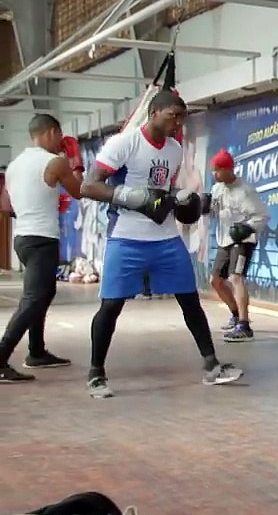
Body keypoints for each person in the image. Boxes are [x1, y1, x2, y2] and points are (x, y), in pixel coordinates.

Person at [79, 90, 243, 398]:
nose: (178, 123)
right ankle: (96, 373)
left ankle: (211, 365)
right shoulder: (124, 143)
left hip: (165, 237)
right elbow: (88, 186)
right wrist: (127, 196)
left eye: (182, 118)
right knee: (111, 306)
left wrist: (181, 203)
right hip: (126, 237)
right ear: (154, 113)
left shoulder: (175, 150)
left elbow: (162, 193)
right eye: (173, 116)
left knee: (190, 300)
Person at [0, 114, 81, 382]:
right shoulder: (54, 161)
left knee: (44, 293)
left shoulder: (14, 165)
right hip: (41, 239)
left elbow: (5, 207)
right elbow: (79, 190)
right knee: (35, 298)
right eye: (59, 136)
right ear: (52, 132)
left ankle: (36, 352)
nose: (61, 142)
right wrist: (75, 163)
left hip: (23, 238)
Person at [206, 148, 269, 341]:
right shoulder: (217, 188)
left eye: (218, 170)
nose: (214, 174)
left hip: (242, 240)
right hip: (225, 239)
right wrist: (201, 207)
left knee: (236, 277)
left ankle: (244, 325)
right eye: (213, 170)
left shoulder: (246, 191)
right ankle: (235, 314)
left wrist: (247, 228)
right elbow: (213, 210)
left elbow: (262, 216)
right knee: (215, 280)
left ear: (228, 169)